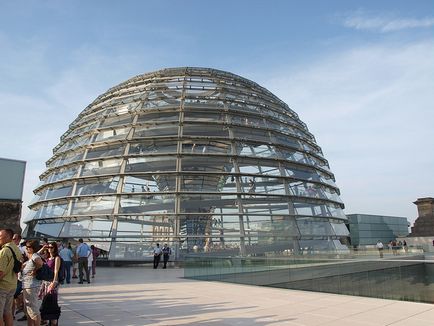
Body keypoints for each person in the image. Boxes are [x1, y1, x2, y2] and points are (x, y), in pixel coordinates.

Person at [0, 229, 23, 326]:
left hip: (3, 286)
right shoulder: (16, 248)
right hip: (12, 284)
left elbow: (1, 272)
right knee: (8, 312)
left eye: (1, 236)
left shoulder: (4, 251)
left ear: (8, 237)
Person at [21, 240, 43, 326]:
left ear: (33, 248)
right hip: (28, 285)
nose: (26, 248)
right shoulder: (31, 256)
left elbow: (40, 263)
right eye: (26, 247)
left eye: (28, 247)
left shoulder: (34, 256)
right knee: (29, 309)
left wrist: (35, 270)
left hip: (32, 286)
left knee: (33, 309)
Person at [39, 242, 62, 325]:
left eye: (51, 247)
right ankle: (47, 319)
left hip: (52, 281)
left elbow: (56, 270)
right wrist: (43, 248)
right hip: (45, 282)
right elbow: (36, 256)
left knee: (52, 301)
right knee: (45, 301)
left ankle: (54, 320)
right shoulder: (47, 258)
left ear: (55, 248)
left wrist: (54, 282)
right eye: (48, 247)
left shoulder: (57, 258)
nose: (50, 249)